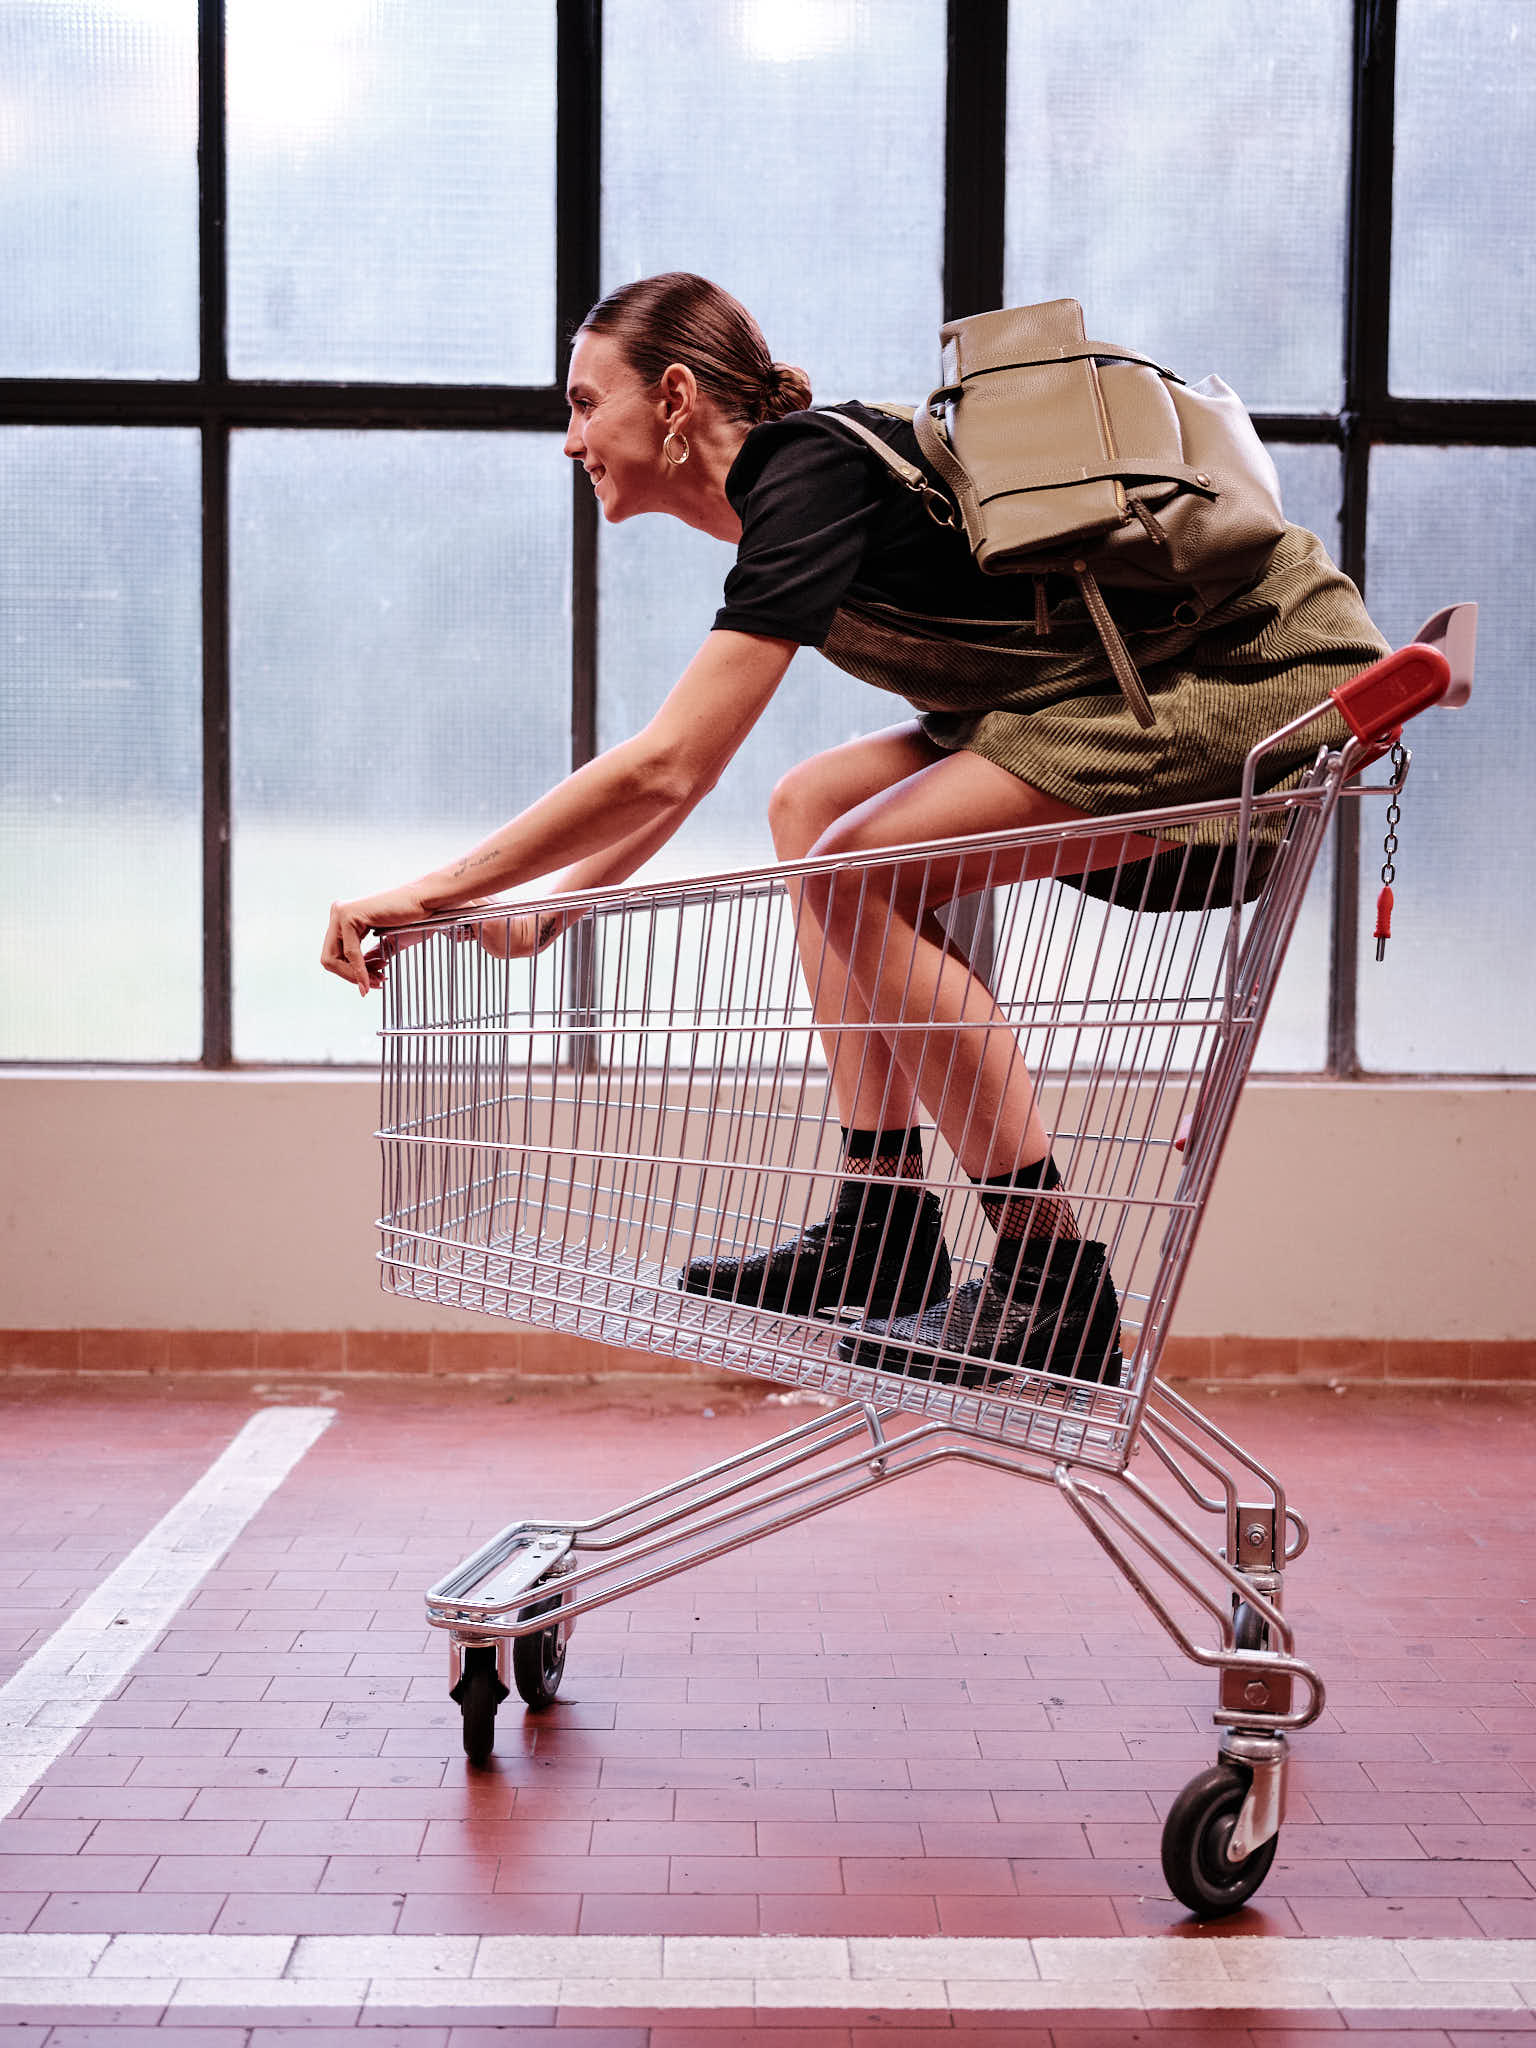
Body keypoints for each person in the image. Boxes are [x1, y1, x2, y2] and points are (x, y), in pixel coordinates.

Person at [322, 271, 1388, 1389]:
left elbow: (666, 759)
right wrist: (549, 917)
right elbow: (692, 774)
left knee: (853, 869)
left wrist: (432, 891)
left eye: (587, 403)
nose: (570, 438)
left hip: (1241, 676)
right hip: (1113, 686)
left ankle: (1053, 1277)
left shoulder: (804, 472)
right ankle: (886, 1223)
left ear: (675, 396)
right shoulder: (792, 496)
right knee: (813, 810)